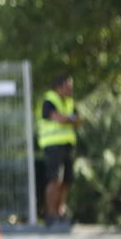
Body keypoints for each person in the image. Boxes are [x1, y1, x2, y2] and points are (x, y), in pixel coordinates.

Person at [38, 73, 80, 225]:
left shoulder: (68, 101)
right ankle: (51, 214)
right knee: (54, 180)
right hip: (52, 145)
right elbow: (60, 119)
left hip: (67, 145)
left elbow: (78, 120)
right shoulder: (49, 100)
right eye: (68, 86)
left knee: (66, 181)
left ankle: (60, 211)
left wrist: (68, 119)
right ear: (59, 87)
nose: (70, 90)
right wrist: (70, 119)